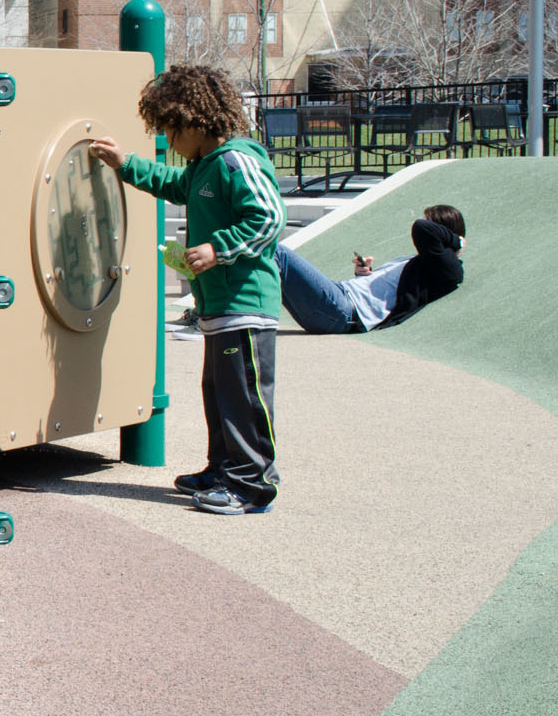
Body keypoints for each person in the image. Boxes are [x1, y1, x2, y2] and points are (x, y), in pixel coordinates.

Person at [89, 65, 287, 516]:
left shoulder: (238, 160)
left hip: (246, 306)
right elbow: (173, 184)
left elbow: (269, 218)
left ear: (195, 120)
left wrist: (217, 249)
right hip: (219, 307)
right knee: (218, 394)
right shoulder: (202, 167)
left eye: (170, 131)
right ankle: (224, 469)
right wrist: (125, 164)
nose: (170, 143)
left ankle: (252, 484)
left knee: (244, 397)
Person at [277, 206, 466, 335]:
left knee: (278, 252)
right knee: (270, 256)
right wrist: (364, 274)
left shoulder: (448, 269)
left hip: (342, 311)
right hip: (338, 301)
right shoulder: (419, 262)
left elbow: (422, 227)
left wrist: (457, 241)